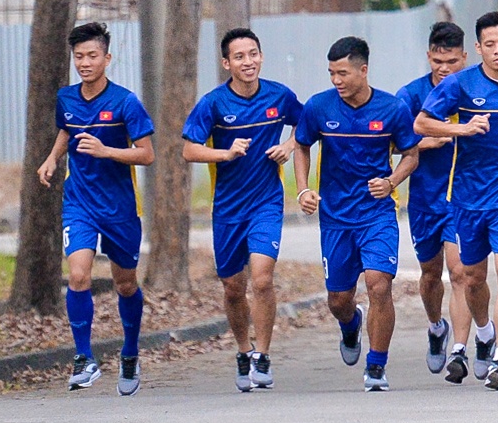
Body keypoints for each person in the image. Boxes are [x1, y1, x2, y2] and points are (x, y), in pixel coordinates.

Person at [413, 10, 498, 390]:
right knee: (471, 279)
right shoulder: (459, 85)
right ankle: (483, 332)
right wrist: (462, 128)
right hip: (466, 199)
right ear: (478, 48)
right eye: (490, 45)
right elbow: (422, 123)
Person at [293, 36, 420, 392]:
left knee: (379, 285)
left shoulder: (392, 109)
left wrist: (392, 181)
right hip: (335, 218)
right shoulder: (319, 107)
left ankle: (377, 365)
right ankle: (351, 326)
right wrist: (303, 188)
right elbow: (301, 146)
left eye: (343, 73)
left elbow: (412, 155)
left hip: (377, 214)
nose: (336, 80)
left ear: (363, 71)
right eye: (332, 73)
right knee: (338, 300)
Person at [181, 27, 303, 392]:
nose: (248, 62)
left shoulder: (279, 96)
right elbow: (189, 149)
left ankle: (263, 356)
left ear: (261, 56)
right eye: (239, 56)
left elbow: (306, 126)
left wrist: (289, 144)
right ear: (226, 63)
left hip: (266, 202)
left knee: (262, 279)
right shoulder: (214, 103)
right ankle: (243, 349)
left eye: (253, 54)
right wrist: (225, 153)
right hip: (228, 208)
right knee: (234, 288)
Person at [37, 22, 156, 396]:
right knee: (78, 276)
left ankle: (131, 352)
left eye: (91, 56)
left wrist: (107, 151)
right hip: (79, 203)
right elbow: (67, 130)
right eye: (79, 57)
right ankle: (84, 358)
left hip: (119, 207)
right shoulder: (66, 98)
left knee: (125, 284)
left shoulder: (125, 102)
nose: (84, 63)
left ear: (107, 58)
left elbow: (147, 154)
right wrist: (52, 158)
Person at [395, 21, 470, 376]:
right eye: (438, 61)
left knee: (460, 272)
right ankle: (436, 326)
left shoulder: (473, 91)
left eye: (452, 61)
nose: (444, 68)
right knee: (430, 274)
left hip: (463, 199)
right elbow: (392, 142)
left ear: (464, 58)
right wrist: (427, 141)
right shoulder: (410, 96)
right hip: (424, 199)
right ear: (428, 56)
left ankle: (459, 348)